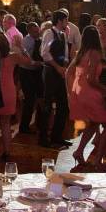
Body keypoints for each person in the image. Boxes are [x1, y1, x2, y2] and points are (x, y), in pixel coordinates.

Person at [67, 25, 106, 169]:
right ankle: (98, 159)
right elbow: (92, 79)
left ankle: (79, 152)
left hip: (80, 91)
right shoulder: (94, 53)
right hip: (90, 92)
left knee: (93, 124)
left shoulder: (81, 52)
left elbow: (68, 72)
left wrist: (71, 92)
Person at [0, 32, 32, 159]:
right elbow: (29, 61)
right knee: (6, 123)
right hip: (9, 92)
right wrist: (21, 47)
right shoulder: (13, 57)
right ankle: (7, 152)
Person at [39, 10, 71, 148]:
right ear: (59, 21)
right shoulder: (49, 33)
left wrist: (64, 67)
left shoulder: (63, 34)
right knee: (47, 105)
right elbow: (44, 53)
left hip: (60, 72)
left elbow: (65, 54)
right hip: (50, 72)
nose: (67, 22)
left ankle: (57, 136)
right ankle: (43, 138)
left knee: (63, 105)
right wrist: (57, 67)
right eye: (65, 20)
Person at [18, 22, 44, 135]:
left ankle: (39, 124)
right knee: (29, 100)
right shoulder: (25, 41)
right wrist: (34, 63)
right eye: (34, 31)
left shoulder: (40, 39)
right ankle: (24, 127)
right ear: (29, 31)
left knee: (40, 98)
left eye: (38, 30)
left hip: (37, 71)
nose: (37, 33)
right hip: (26, 71)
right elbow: (23, 58)